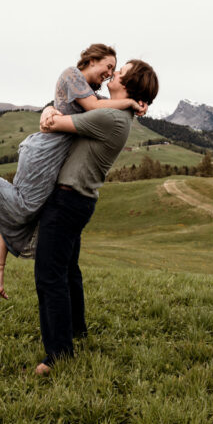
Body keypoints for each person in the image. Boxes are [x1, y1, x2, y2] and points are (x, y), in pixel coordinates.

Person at [0, 45, 146, 299]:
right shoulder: (73, 75)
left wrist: (130, 104)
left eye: (115, 69)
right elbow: (92, 108)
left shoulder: (88, 91)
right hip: (45, 152)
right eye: (108, 66)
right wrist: (131, 102)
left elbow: (96, 106)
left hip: (55, 155)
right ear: (91, 60)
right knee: (25, 205)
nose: (110, 73)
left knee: (28, 209)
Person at [31, 59, 159, 375]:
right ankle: (76, 330)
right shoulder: (115, 113)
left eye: (121, 71)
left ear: (130, 82)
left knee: (49, 274)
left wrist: (48, 113)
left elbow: (52, 124)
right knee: (68, 269)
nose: (114, 73)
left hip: (68, 199)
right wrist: (50, 109)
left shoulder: (111, 118)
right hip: (78, 199)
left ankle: (58, 354)